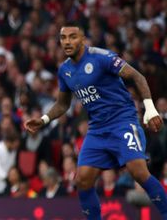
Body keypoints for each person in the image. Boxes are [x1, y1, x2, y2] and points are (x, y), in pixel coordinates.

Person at [25, 22, 167, 220]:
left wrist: (150, 109)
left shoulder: (102, 57)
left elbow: (138, 76)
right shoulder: (64, 70)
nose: (67, 42)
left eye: (72, 37)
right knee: (82, 180)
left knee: (138, 171)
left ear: (83, 39)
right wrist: (44, 119)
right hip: (97, 129)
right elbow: (62, 104)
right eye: (63, 38)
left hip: (122, 121)